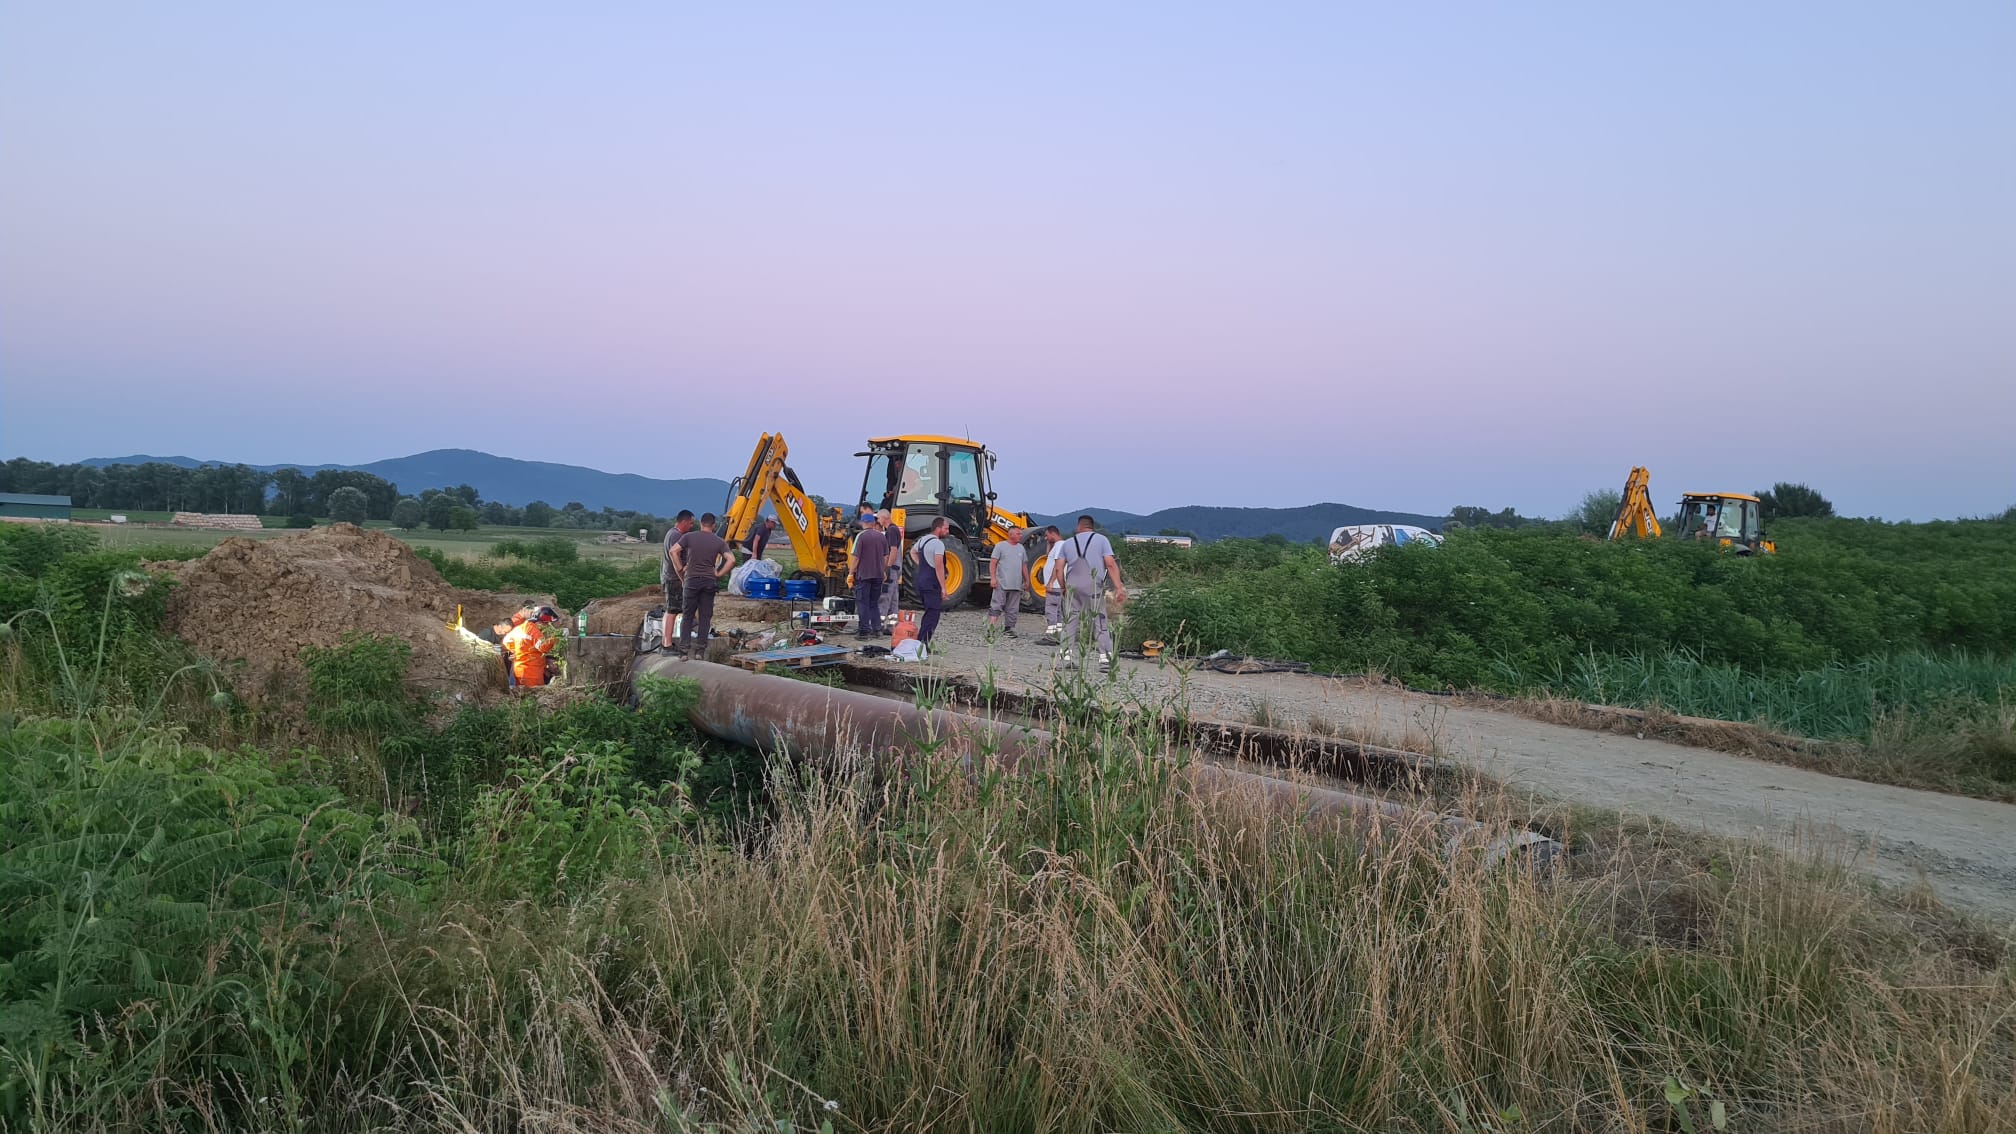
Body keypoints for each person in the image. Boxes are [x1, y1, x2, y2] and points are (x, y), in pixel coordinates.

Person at [1052, 515, 1126, 671]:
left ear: (1079, 526)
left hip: (1072, 586)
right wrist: (1118, 587)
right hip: (1093, 586)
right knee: (1100, 621)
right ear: (1092, 526)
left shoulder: (1067, 543)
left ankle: (1065, 660)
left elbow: (1058, 568)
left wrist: (1063, 587)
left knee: (1069, 622)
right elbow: (1110, 564)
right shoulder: (1102, 540)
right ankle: (1105, 661)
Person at [669, 512, 733, 659]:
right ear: (714, 525)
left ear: (700, 523)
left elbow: (673, 551)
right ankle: (700, 652)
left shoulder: (689, 537)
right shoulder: (719, 541)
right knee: (705, 617)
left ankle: (683, 651)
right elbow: (731, 560)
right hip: (708, 582)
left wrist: (680, 568)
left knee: (687, 616)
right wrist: (719, 573)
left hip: (691, 581)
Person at [911, 516, 951, 646]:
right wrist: (943, 588)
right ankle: (922, 644)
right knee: (933, 615)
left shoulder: (922, 540)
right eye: (946, 528)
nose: (948, 531)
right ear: (938, 528)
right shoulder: (938, 544)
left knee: (928, 613)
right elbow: (939, 566)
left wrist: (921, 564)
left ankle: (922, 642)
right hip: (931, 584)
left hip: (921, 582)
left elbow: (912, 552)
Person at [848, 512, 888, 639]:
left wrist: (850, 573)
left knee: (863, 603)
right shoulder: (881, 537)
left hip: (864, 575)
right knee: (873, 603)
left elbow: (855, 558)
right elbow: (885, 557)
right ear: (873, 523)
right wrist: (883, 570)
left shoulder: (861, 536)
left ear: (863, 523)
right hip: (878, 575)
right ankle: (877, 630)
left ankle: (864, 631)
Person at [502, 605, 561, 688]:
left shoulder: (520, 628)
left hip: (519, 670)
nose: (546, 626)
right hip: (532, 673)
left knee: (521, 694)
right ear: (541, 622)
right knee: (534, 695)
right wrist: (555, 638)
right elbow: (543, 647)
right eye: (546, 623)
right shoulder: (535, 632)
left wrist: (517, 651)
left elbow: (506, 642)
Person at [987, 527, 1028, 635]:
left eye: (1020, 534)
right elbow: (993, 563)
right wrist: (993, 578)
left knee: (1013, 608)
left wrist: (1027, 580)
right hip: (1001, 583)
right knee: (996, 605)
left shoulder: (1021, 548)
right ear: (1011, 534)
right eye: (1018, 534)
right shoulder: (1000, 546)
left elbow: (1024, 566)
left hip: (1016, 584)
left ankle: (1009, 628)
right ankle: (990, 628)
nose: (1021, 536)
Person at [660, 510, 695, 609]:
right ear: (684, 522)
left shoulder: (671, 533)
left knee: (675, 609)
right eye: (691, 523)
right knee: (674, 611)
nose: (691, 526)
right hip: (674, 579)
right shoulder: (676, 535)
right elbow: (676, 557)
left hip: (671, 578)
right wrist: (682, 576)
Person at [1036, 526, 1065, 645]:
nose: (1046, 538)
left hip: (1055, 585)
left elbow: (1058, 566)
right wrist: (1049, 544)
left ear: (1053, 533)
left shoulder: (1060, 546)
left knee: (1051, 611)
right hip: (1057, 586)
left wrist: (1051, 582)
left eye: (1047, 535)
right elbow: (1048, 556)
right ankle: (1058, 635)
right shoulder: (1057, 546)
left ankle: (1051, 637)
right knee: (1058, 612)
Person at [878, 508, 903, 625]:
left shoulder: (891, 531)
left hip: (892, 568)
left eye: (879, 518)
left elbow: (893, 550)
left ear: (884, 517)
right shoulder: (895, 529)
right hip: (896, 567)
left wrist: (887, 568)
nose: (878, 521)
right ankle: (892, 625)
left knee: (885, 595)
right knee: (893, 596)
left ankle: (879, 623)